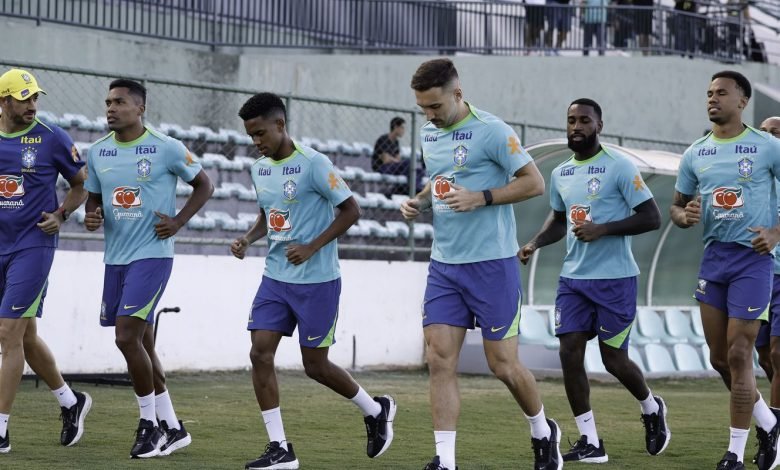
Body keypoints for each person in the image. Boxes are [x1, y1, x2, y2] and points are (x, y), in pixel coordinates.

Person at [401, 58, 561, 470]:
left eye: (435, 106)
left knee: (502, 364)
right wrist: (420, 201)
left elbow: (534, 183)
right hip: (445, 265)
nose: (428, 116)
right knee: (439, 360)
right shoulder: (430, 133)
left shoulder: (493, 130)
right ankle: (445, 460)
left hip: (492, 265)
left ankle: (543, 431)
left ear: (457, 93)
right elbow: (442, 177)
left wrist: (481, 197)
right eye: (422, 108)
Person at [233, 92, 396, 470]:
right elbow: (268, 215)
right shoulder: (259, 169)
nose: (256, 141)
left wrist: (311, 247)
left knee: (315, 365)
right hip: (275, 277)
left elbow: (351, 210)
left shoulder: (314, 164)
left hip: (318, 281)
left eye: (260, 133)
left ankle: (375, 410)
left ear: (280, 124)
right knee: (259, 353)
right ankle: (279, 448)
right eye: (250, 135)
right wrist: (248, 238)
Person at [519, 98, 669, 463]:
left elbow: (651, 217)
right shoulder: (561, 173)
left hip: (615, 280)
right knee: (569, 352)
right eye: (571, 120)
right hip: (573, 279)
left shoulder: (619, 166)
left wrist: (603, 229)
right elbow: (559, 219)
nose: (576, 126)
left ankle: (651, 407)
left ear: (599, 125)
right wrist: (535, 243)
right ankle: (590, 441)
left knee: (613, 360)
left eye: (584, 120)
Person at [84, 79, 213, 458]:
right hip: (115, 259)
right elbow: (93, 199)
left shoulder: (166, 147)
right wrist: (92, 216)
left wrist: (178, 221)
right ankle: (173, 427)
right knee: (143, 344)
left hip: (153, 255)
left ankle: (149, 426)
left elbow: (204, 185)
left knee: (126, 338)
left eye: (119, 102)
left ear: (140, 108)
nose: (111, 108)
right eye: (108, 102)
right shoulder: (98, 152)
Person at [671, 71, 780, 470]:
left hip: (753, 260)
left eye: (721, 93)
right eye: (709, 93)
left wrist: (774, 233)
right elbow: (676, 206)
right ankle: (770, 423)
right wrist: (684, 216)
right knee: (719, 359)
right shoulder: (695, 153)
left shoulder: (767, 147)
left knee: (739, 353)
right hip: (714, 259)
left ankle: (734, 452)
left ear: (742, 101)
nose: (712, 99)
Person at [0, 68, 91, 453]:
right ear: (4, 101)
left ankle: (0, 430)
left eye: (35, 97)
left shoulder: (51, 136)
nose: (32, 105)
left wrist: (61, 214)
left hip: (33, 245)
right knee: (25, 336)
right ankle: (71, 402)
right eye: (25, 99)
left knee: (7, 333)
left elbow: (82, 183)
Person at [372, 116, 423, 194]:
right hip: (382, 167)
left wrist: (392, 159)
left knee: (419, 171)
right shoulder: (383, 139)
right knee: (408, 163)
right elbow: (385, 160)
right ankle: (414, 189)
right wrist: (394, 160)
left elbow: (397, 159)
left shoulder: (396, 142)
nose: (403, 130)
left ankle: (413, 189)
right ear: (396, 127)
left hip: (393, 167)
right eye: (402, 127)